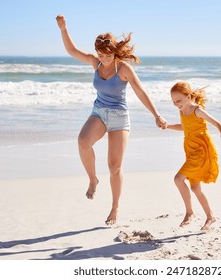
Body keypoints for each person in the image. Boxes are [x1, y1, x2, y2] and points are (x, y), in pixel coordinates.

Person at [56, 15, 166, 225]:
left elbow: (141, 92)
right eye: (100, 55)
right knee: (83, 142)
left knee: (114, 166)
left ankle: (115, 207)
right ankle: (92, 179)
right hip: (99, 112)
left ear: (114, 52)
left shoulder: (124, 69)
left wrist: (156, 115)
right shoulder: (95, 63)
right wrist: (63, 29)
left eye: (107, 55)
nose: (103, 59)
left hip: (119, 117)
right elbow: (72, 51)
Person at [164, 81, 221, 231]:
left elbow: (217, 123)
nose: (176, 104)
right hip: (190, 150)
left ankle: (189, 213)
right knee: (195, 188)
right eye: (173, 101)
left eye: (178, 100)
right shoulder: (182, 111)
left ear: (188, 96)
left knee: (178, 179)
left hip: (201, 150)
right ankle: (211, 217)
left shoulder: (197, 110)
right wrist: (167, 126)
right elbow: (184, 128)